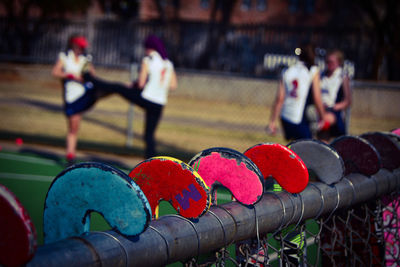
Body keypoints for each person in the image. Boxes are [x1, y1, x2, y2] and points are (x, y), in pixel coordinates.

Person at [83, 35, 177, 158]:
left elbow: (141, 83)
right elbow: (173, 85)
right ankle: (151, 163)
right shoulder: (168, 64)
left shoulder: (148, 60)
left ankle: (92, 80)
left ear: (149, 48)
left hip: (147, 98)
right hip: (160, 103)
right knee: (149, 135)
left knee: (118, 87)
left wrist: (133, 84)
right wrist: (158, 86)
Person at [52, 34, 98, 164]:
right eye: (79, 46)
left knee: (75, 125)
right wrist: (70, 75)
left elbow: (93, 75)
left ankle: (71, 154)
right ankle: (70, 153)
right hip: (70, 95)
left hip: (82, 95)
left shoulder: (85, 59)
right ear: (73, 45)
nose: (81, 49)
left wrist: (86, 77)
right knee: (73, 125)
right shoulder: (65, 57)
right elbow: (55, 72)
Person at [267, 44, 328, 141]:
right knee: (307, 148)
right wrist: (323, 117)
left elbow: (280, 98)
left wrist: (272, 122)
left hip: (285, 116)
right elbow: (317, 97)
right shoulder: (313, 71)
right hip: (299, 117)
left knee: (293, 147)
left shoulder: (287, 71)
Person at [317, 49, 352, 142]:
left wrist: (335, 107)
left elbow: (347, 101)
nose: (329, 64)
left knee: (325, 121)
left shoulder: (342, 76)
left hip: (334, 111)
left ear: (339, 62)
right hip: (320, 108)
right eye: (327, 62)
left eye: (332, 62)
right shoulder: (321, 75)